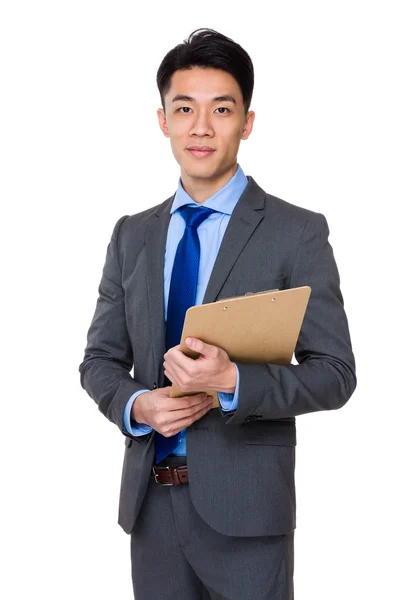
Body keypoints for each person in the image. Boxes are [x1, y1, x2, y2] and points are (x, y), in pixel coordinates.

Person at [79, 27, 357, 600]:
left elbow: (335, 373)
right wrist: (137, 404)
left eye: (221, 109)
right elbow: (99, 360)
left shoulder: (296, 232)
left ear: (247, 122)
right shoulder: (132, 235)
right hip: (151, 509)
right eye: (184, 108)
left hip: (248, 518)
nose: (200, 127)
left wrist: (233, 382)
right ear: (163, 121)